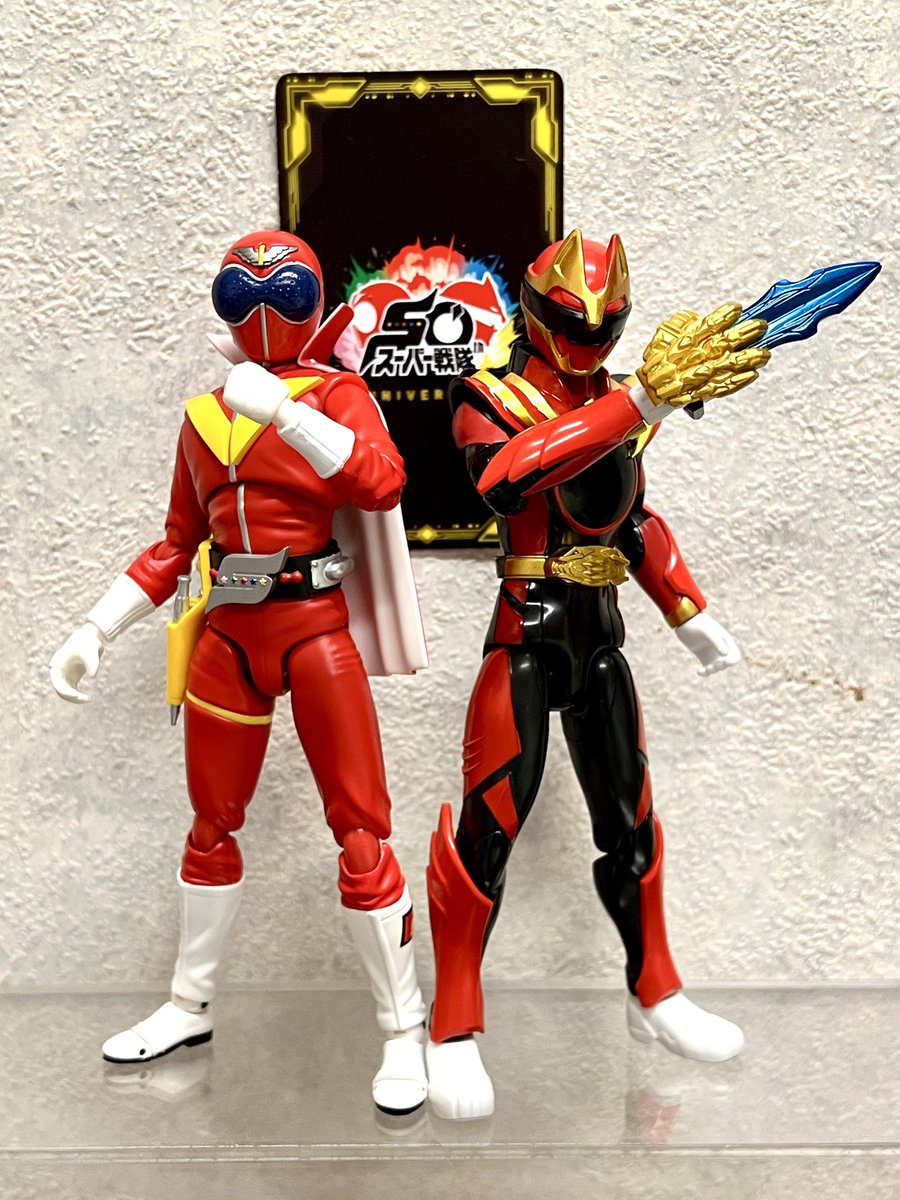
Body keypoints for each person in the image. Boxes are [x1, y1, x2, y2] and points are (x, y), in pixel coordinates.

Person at [50, 230, 429, 1115]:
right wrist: (96, 629)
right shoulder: (202, 418)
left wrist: (290, 415)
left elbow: (383, 482)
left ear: (312, 304)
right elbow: (175, 545)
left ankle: (401, 1030)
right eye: (239, 295)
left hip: (312, 624)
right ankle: (189, 1006)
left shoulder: (337, 393)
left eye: (284, 294)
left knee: (360, 832)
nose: (261, 312)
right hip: (229, 633)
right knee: (211, 827)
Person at [425, 229, 767, 1118]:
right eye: (575, 321)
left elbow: (632, 522)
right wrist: (639, 403)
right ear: (538, 313)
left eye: (605, 323)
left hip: (600, 633)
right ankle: (451, 1027)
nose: (590, 337)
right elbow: (512, 475)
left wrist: (690, 613)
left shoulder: (618, 401)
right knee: (490, 827)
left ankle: (655, 993)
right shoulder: (487, 394)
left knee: (631, 820)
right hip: (525, 635)